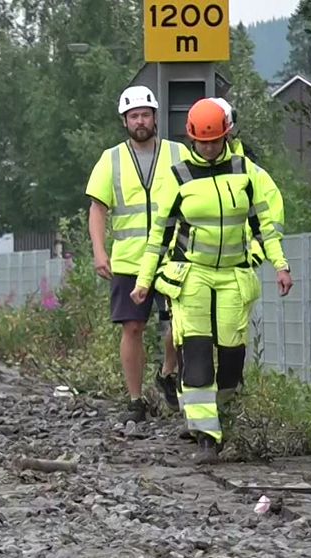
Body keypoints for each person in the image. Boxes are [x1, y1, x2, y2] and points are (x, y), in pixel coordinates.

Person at [129, 98, 294, 463]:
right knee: (198, 352)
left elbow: (263, 224)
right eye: (202, 142)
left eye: (215, 140)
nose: (208, 147)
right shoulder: (178, 178)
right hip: (194, 276)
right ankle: (206, 436)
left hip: (233, 273)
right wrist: (144, 281)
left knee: (233, 355)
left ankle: (218, 413)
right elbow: (158, 235)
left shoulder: (244, 172)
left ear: (226, 136)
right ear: (191, 139)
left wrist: (280, 265)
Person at [85, 85, 188, 423]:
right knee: (132, 328)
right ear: (124, 121)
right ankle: (135, 399)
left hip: (173, 255)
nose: (140, 121)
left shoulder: (178, 154)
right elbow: (98, 208)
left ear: (155, 117)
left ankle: (167, 371)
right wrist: (100, 252)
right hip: (129, 259)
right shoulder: (110, 159)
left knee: (181, 324)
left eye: (145, 114)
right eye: (134, 116)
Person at [210, 97, 286, 270]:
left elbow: (272, 223)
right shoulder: (186, 172)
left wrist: (253, 257)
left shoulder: (254, 174)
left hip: (239, 270)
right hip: (197, 274)